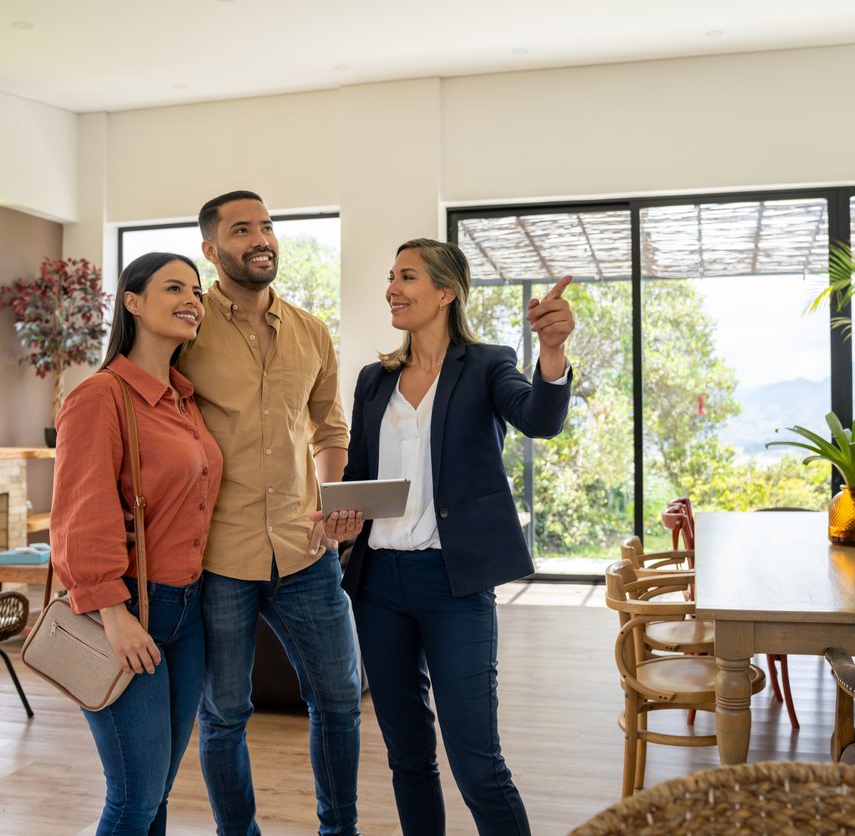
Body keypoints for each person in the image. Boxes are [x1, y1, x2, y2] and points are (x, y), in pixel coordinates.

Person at [322, 238, 574, 835]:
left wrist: (554, 350)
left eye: (406, 276)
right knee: (408, 757)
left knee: (477, 764)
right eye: (390, 276)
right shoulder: (373, 380)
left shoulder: (488, 364)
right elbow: (359, 475)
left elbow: (540, 419)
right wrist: (340, 517)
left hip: (454, 586)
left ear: (445, 291)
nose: (392, 287)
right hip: (379, 586)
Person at [176, 191, 362, 836]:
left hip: (306, 551)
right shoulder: (186, 326)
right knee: (225, 714)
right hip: (220, 556)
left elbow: (328, 426)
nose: (261, 238)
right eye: (241, 229)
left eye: (267, 226)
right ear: (211, 249)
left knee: (340, 702)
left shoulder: (311, 330)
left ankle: (340, 830)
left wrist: (334, 502)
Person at [51, 252, 221, 835]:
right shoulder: (99, 397)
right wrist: (114, 614)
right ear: (132, 301)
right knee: (135, 795)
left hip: (186, 611)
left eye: (196, 291)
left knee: (159, 792)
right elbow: (81, 513)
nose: (191, 300)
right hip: (129, 611)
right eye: (174, 287)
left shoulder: (183, 400)